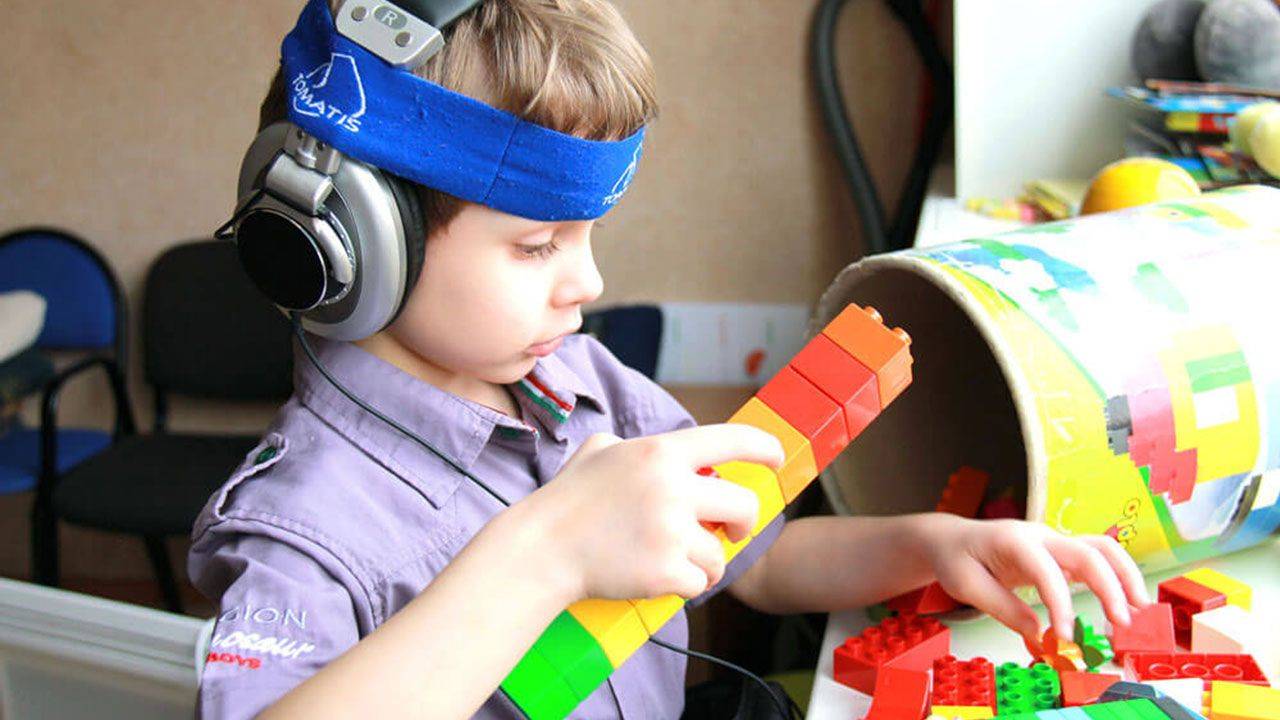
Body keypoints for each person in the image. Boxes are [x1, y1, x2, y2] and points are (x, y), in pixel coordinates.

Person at [189, 1, 1151, 718]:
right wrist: (548, 554)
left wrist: (933, 547)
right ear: (353, 238)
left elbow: (758, 560)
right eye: (537, 246)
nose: (588, 282)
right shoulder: (302, 524)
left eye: (588, 235)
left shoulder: (580, 384)